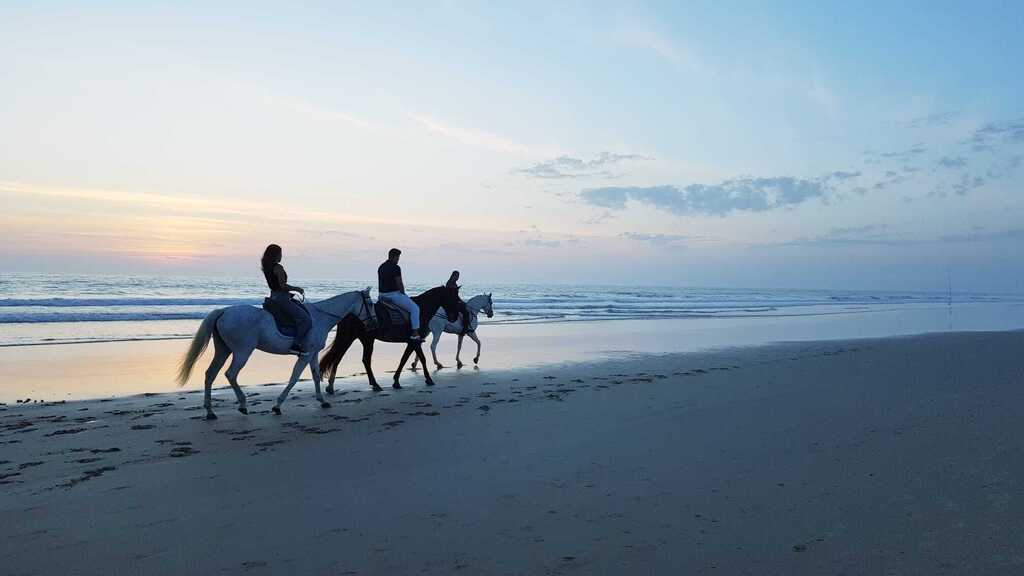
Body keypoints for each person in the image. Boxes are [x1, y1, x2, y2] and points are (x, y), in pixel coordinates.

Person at [261, 244, 311, 353]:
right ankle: (295, 345)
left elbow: (276, 286)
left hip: (273, 296)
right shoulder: (278, 267)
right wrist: (296, 289)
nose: (281, 256)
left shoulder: (267, 267)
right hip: (282, 299)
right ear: (275, 255)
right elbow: (282, 286)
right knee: (305, 319)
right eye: (280, 253)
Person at [378, 248, 421, 341]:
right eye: (398, 258)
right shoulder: (396, 268)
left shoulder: (381, 266)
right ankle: (415, 333)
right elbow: (399, 283)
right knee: (415, 309)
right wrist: (404, 294)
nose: (398, 260)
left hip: (381, 295)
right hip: (393, 295)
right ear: (394, 257)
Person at [446, 270, 472, 335]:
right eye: (457, 276)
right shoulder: (450, 283)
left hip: (454, 300)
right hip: (452, 302)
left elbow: (456, 295)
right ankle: (465, 329)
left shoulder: (453, 283)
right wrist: (460, 301)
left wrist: (461, 301)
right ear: (453, 276)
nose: (457, 278)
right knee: (466, 312)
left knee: (464, 306)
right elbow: (452, 295)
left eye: (458, 276)